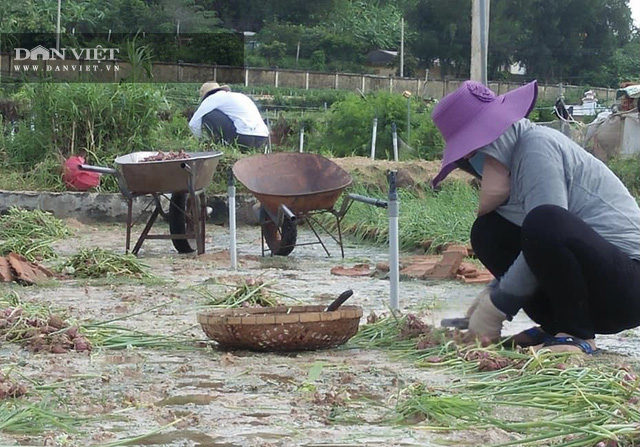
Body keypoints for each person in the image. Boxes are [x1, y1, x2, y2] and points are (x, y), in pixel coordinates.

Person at [431, 80, 640, 355]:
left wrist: (497, 307)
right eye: (466, 156)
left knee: (543, 221)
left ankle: (576, 333)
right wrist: (488, 299)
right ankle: (555, 325)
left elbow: (547, 229)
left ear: (492, 133)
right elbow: (534, 249)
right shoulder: (513, 165)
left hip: (627, 287)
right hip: (593, 288)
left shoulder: (536, 147)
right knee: (487, 232)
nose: (473, 160)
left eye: (473, 150)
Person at [188, 82, 269, 150]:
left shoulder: (212, 98)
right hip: (262, 139)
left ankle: (220, 145)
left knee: (208, 114)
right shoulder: (239, 96)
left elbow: (193, 123)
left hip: (243, 138)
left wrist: (199, 140)